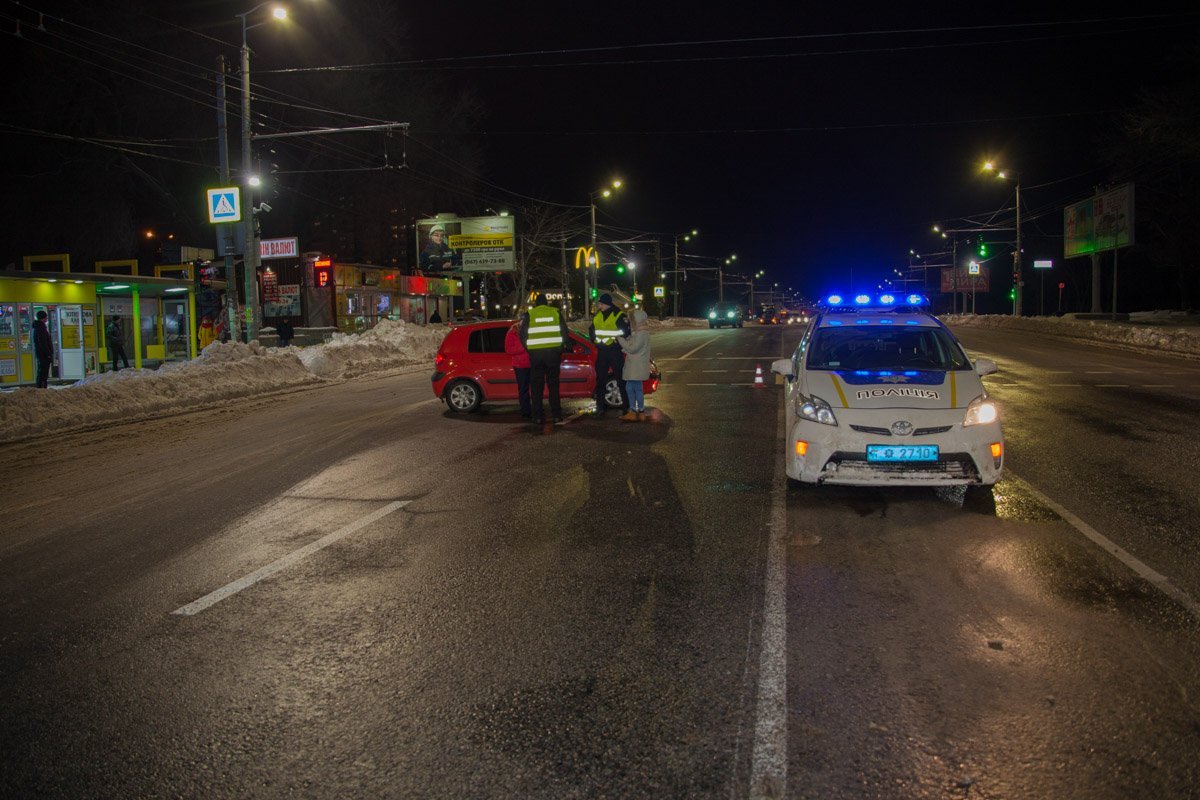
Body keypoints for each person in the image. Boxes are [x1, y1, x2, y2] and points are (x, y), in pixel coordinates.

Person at [520, 292, 570, 424]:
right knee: (553, 386)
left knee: (537, 387)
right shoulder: (555, 312)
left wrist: (530, 349)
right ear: (546, 303)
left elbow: (522, 335)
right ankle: (556, 415)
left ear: (536, 303)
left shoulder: (530, 314)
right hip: (553, 355)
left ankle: (537, 416)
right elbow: (565, 333)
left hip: (536, 356)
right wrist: (560, 349)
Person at [587, 292, 630, 416]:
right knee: (600, 380)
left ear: (607, 304)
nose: (599, 306)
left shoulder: (618, 315)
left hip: (614, 351)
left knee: (621, 379)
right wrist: (594, 340)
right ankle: (600, 407)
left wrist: (616, 340)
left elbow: (626, 332)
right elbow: (592, 330)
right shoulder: (598, 316)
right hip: (602, 352)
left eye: (601, 304)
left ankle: (626, 407)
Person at [617, 309, 651, 422]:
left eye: (632, 319)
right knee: (634, 388)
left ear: (637, 320)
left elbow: (633, 348)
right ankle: (638, 412)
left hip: (636, 366)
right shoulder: (639, 332)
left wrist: (620, 340)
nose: (630, 322)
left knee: (633, 388)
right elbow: (633, 346)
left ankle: (636, 411)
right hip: (636, 366)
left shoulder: (641, 333)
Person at [504, 313, 532, 418]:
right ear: (519, 321)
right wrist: (523, 347)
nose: (524, 323)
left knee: (535, 388)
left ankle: (536, 408)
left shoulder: (531, 331)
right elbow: (508, 349)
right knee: (523, 389)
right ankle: (526, 410)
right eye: (522, 320)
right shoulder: (512, 332)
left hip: (532, 363)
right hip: (520, 366)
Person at [33, 309, 54, 388]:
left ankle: (41, 387)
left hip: (41, 354)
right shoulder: (41, 328)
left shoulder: (38, 327)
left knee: (42, 372)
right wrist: (48, 354)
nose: (47, 319)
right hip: (43, 355)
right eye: (46, 317)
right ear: (43, 318)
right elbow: (43, 343)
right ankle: (42, 388)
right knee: (43, 373)